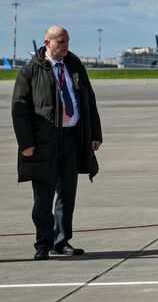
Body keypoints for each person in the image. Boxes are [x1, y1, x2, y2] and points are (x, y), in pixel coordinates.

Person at [12, 26, 103, 260]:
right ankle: (43, 243)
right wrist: (26, 143)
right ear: (47, 42)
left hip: (72, 138)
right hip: (44, 142)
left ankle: (61, 241)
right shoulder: (31, 70)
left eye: (67, 41)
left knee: (67, 194)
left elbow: (89, 101)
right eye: (61, 42)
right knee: (43, 197)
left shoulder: (75, 65)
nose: (65, 46)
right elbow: (19, 111)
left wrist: (95, 134)